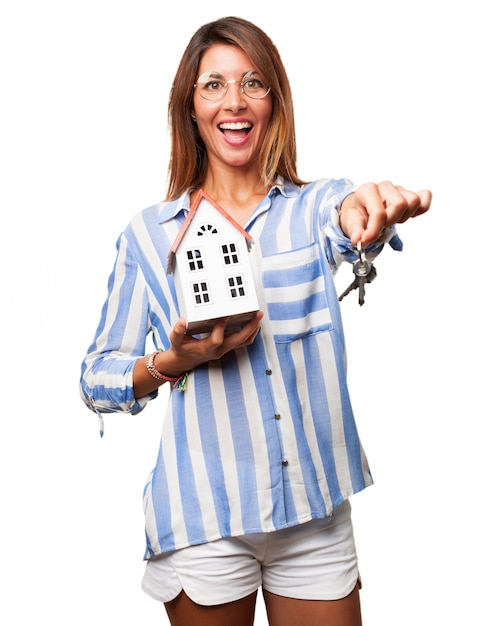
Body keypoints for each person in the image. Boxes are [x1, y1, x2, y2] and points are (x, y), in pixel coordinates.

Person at [80, 16, 431, 626]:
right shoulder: (149, 234)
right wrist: (172, 362)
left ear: (275, 102)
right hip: (204, 518)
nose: (234, 103)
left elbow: (350, 218)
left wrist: (370, 212)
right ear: (189, 105)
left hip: (313, 511)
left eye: (253, 84)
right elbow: (95, 377)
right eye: (213, 85)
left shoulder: (315, 206)